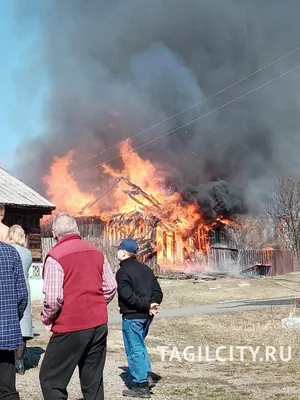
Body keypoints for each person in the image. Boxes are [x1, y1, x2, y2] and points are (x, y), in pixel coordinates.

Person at [39, 212, 117, 400]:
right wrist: (94, 304)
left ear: (54, 233)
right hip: (98, 325)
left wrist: (47, 318)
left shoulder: (55, 256)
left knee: (51, 380)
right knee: (93, 381)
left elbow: (53, 299)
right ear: (77, 230)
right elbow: (111, 287)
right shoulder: (97, 252)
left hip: (70, 327)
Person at [115, 238, 163, 398]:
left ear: (123, 252)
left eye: (118, 249)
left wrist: (146, 306)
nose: (117, 252)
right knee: (140, 346)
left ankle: (141, 385)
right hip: (146, 316)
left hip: (133, 317)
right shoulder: (145, 269)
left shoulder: (123, 272)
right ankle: (147, 375)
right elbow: (157, 290)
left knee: (133, 349)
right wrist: (153, 303)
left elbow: (127, 296)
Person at [0, 241, 28, 399]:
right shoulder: (11, 253)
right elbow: (22, 295)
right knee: (7, 388)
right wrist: (12, 318)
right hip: (5, 331)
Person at [6, 225, 34, 375]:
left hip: (8, 290)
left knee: (8, 324)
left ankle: (7, 359)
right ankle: (20, 362)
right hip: (24, 289)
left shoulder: (5, 251)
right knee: (23, 328)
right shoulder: (27, 253)